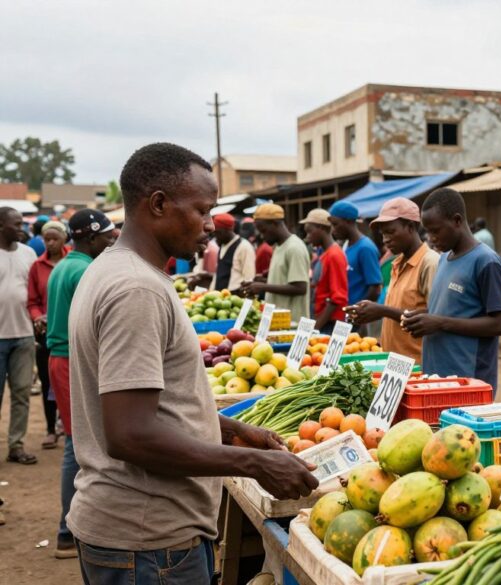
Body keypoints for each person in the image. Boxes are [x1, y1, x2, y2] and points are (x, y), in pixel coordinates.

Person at [67, 143, 317, 582]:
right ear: (159, 204)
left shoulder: (119, 271)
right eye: (202, 210)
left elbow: (156, 406)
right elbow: (130, 435)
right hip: (149, 542)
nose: (209, 225)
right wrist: (253, 465)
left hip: (143, 538)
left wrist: (235, 430)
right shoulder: (135, 290)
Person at [46, 209, 116, 559]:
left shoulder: (63, 267)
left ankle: (67, 528)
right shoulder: (86, 271)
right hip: (71, 360)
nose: (112, 240)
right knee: (78, 444)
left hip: (60, 358)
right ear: (90, 238)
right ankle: (65, 532)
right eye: (106, 236)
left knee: (77, 440)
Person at [404, 188, 501, 389]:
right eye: (427, 232)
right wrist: (423, 318)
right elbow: (451, 311)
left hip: (469, 381)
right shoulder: (444, 258)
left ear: (457, 220)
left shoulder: (486, 261)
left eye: (435, 230)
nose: (431, 238)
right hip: (437, 376)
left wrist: (440, 323)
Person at [346, 197, 439, 363]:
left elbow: (435, 317)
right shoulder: (397, 263)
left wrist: (382, 311)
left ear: (410, 227)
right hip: (394, 366)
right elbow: (401, 310)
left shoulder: (429, 262)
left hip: (418, 366)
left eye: (390, 232)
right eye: (383, 234)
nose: (385, 240)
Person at [0, 206, 39, 466]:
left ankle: (16, 445)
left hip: (24, 335)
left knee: (22, 394)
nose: (21, 228)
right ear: (1, 226)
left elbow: (35, 293)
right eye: (16, 224)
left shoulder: (29, 253)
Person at [27, 220, 69, 449]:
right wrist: (37, 317)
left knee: (72, 380)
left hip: (71, 331)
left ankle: (68, 424)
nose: (51, 243)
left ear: (64, 239)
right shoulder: (37, 267)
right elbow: (32, 301)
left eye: (55, 238)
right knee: (47, 380)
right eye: (47, 239)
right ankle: (51, 428)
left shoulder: (73, 261)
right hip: (46, 333)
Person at [241, 203, 311, 322]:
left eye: (263, 230)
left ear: (274, 223)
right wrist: (263, 281)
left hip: (292, 323)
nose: (262, 236)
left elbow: (300, 288)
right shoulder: (279, 247)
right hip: (277, 322)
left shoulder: (294, 247)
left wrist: (263, 287)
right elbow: (285, 281)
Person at [329, 201, 382, 331]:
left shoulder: (365, 248)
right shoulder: (347, 246)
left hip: (359, 321)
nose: (333, 229)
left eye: (335, 224)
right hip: (347, 318)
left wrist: (356, 314)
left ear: (348, 221)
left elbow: (375, 289)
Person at [301, 208, 348, 332]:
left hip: (329, 324)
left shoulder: (334, 255)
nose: (307, 237)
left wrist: (316, 327)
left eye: (309, 232)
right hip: (322, 321)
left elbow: (337, 298)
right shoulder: (325, 254)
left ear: (322, 229)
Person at [191, 213, 256, 293]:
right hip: (220, 297)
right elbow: (218, 273)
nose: (215, 237)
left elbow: (249, 278)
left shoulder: (244, 247)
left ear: (227, 230)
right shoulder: (222, 245)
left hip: (235, 298)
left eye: (218, 233)